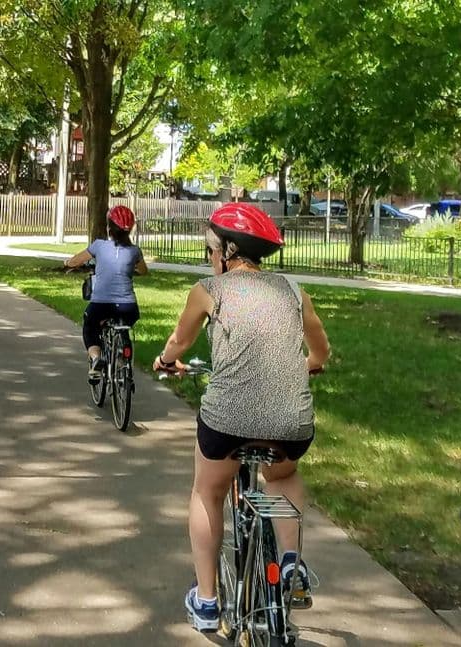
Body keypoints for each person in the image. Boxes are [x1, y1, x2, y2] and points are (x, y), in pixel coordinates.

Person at [151, 203, 330, 633]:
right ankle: (290, 564)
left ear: (227, 252)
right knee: (283, 477)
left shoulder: (208, 291)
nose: (209, 259)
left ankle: (208, 600)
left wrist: (164, 359)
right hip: (291, 422)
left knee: (208, 491)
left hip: (226, 421)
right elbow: (321, 348)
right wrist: (306, 365)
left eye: (210, 251)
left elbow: (180, 341)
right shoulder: (292, 290)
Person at [64, 205, 148, 381]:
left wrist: (68, 263)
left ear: (109, 227)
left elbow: (76, 260)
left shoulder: (99, 246)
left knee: (89, 325)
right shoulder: (135, 251)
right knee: (123, 324)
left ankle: (96, 358)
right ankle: (120, 360)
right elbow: (143, 271)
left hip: (101, 304)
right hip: (128, 307)